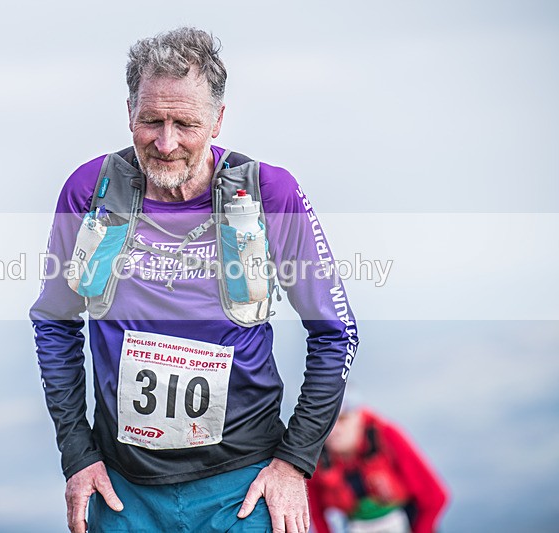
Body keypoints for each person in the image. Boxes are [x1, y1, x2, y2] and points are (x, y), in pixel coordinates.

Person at [30, 27, 359, 533]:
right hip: (122, 493)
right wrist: (77, 455)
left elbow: (337, 333)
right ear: (129, 112)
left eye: (185, 123)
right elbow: (54, 321)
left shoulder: (268, 193)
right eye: (151, 121)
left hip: (243, 491)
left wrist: (294, 463)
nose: (166, 142)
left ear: (218, 120)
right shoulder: (91, 191)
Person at [307, 398, 449, 533]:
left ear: (359, 417)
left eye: (343, 419)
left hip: (408, 524)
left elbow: (436, 497)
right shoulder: (316, 456)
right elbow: (316, 514)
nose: (333, 430)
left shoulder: (387, 437)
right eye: (326, 421)